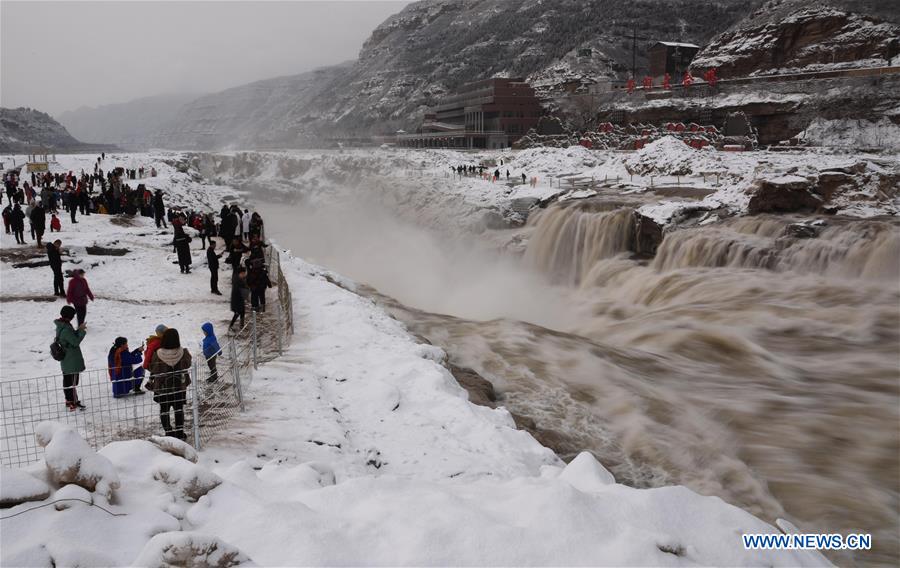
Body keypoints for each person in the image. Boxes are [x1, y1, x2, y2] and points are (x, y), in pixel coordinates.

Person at [148, 328, 191, 440]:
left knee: (164, 410)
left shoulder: (157, 354)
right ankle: (180, 432)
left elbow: (152, 368)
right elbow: (188, 364)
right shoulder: (183, 353)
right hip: (178, 387)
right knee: (178, 409)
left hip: (163, 388)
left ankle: (168, 431)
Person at [55, 305, 86, 411]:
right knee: (71, 382)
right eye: (73, 315)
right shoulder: (66, 329)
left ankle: (71, 400)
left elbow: (72, 338)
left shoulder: (64, 325)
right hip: (70, 359)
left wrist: (78, 329)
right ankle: (72, 401)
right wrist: (81, 331)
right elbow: (75, 342)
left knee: (69, 381)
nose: (73, 317)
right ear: (69, 316)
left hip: (68, 359)